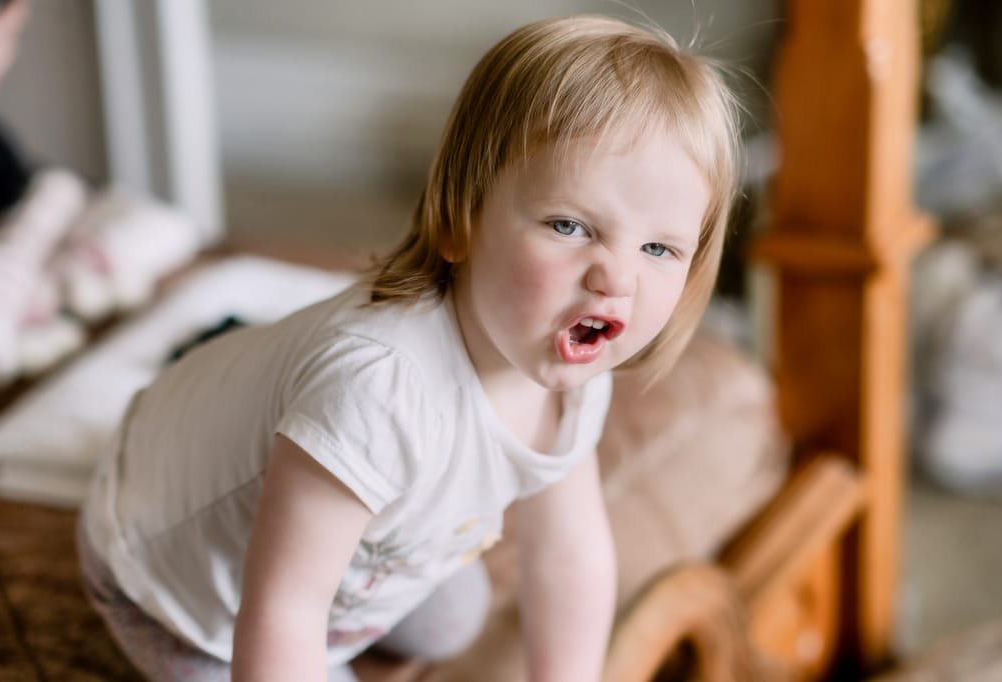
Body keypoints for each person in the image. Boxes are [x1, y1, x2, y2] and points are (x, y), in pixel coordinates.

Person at [77, 14, 741, 682]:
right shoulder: (376, 389)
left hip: (340, 543)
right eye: (570, 226)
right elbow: (282, 611)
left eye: (659, 248)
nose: (617, 278)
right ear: (460, 221)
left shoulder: (568, 364)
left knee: (454, 621)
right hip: (172, 576)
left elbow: (568, 553)